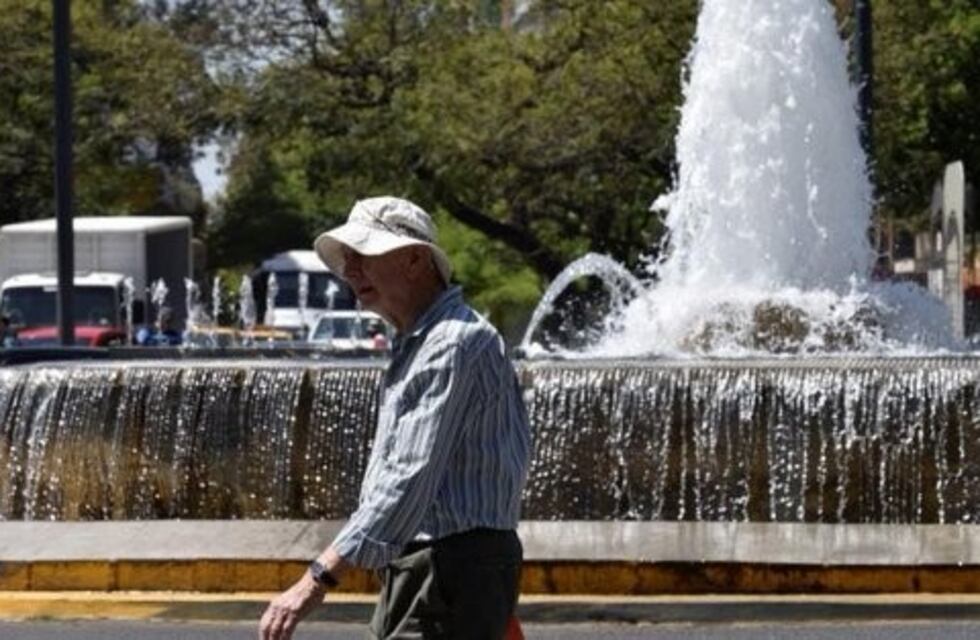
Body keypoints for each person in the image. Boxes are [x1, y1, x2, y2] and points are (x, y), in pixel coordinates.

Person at [259, 196, 531, 640]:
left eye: (363, 254)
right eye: (347, 258)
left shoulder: (451, 343)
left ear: (414, 260)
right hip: (444, 567)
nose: (350, 270)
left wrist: (317, 578)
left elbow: (408, 476)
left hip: (448, 567)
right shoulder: (426, 341)